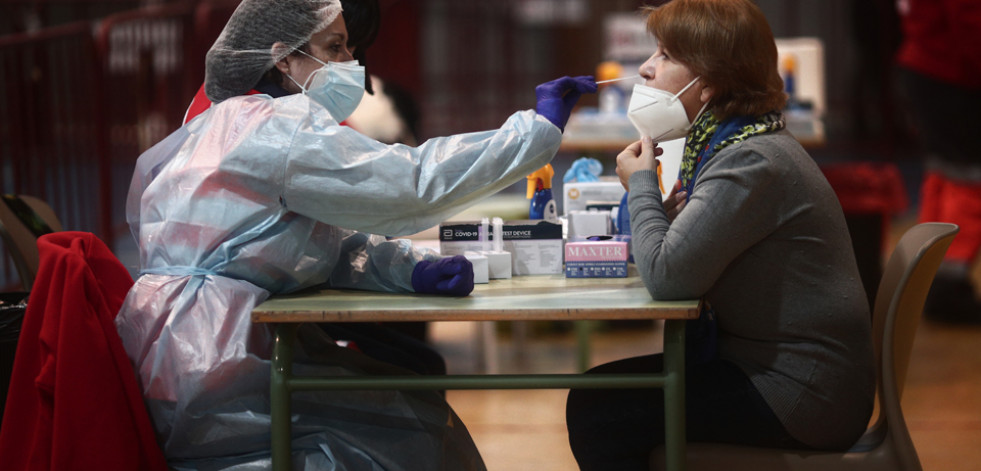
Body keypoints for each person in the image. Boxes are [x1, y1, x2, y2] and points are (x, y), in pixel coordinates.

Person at [114, 0, 597, 469]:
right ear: (284, 57)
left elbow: (304, 245)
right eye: (336, 47)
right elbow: (411, 183)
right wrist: (533, 132)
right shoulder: (274, 128)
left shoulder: (230, 122)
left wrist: (408, 270)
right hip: (215, 366)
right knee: (409, 427)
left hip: (191, 349)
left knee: (409, 398)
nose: (352, 63)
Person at [565, 1, 875, 469]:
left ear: (709, 82)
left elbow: (669, 278)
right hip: (788, 374)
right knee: (603, 399)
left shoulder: (751, 162)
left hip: (805, 394)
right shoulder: (737, 144)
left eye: (666, 55)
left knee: (599, 411)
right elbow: (677, 259)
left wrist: (642, 183)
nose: (646, 69)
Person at [896, 0, 981, 323]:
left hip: (930, 66)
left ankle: (928, 275)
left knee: (945, 177)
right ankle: (947, 285)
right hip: (953, 73)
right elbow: (970, 20)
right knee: (967, 180)